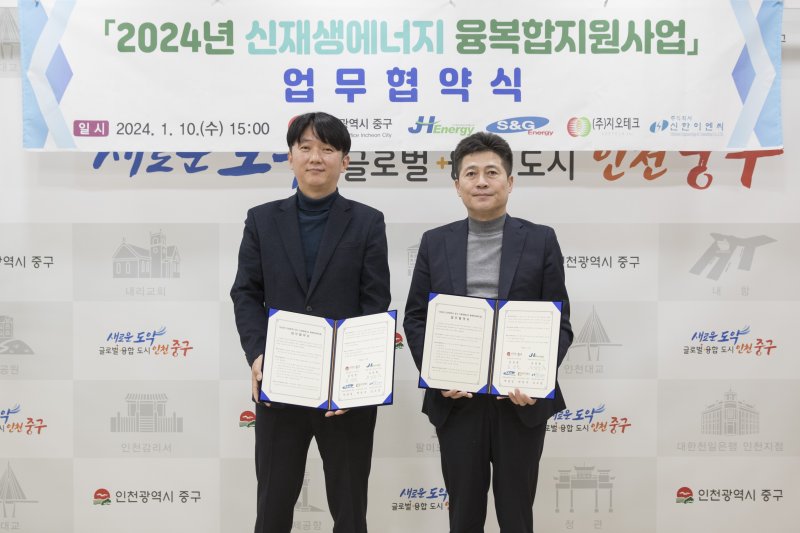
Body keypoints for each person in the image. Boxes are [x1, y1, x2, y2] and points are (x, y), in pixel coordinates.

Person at [403, 132, 573, 533]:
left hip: (521, 402)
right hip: (457, 401)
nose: (481, 181)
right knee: (463, 516)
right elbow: (416, 318)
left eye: (492, 172)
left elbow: (559, 322)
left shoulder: (540, 239)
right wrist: (439, 374)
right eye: (471, 173)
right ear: (457, 185)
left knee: (517, 515)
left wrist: (536, 378)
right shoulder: (435, 242)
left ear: (509, 182)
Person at [231, 111, 390, 533]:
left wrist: (354, 377)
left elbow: (375, 301)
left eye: (327, 149)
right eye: (305, 147)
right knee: (272, 506)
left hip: (346, 394)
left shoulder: (368, 221)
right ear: (290, 157)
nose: (315, 157)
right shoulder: (262, 220)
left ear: (345, 161)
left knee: (350, 508)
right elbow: (246, 293)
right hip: (280, 382)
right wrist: (258, 355)